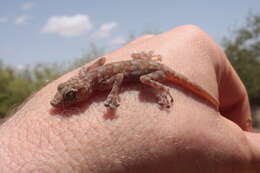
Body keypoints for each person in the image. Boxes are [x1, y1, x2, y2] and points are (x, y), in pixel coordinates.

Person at [0, 25, 259, 173]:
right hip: (140, 64)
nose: (60, 101)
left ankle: (161, 90)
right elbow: (102, 62)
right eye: (65, 92)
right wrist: (87, 73)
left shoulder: (98, 81)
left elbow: (116, 78)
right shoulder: (91, 78)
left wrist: (115, 95)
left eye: (68, 96)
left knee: (146, 81)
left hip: (154, 72)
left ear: (83, 89)